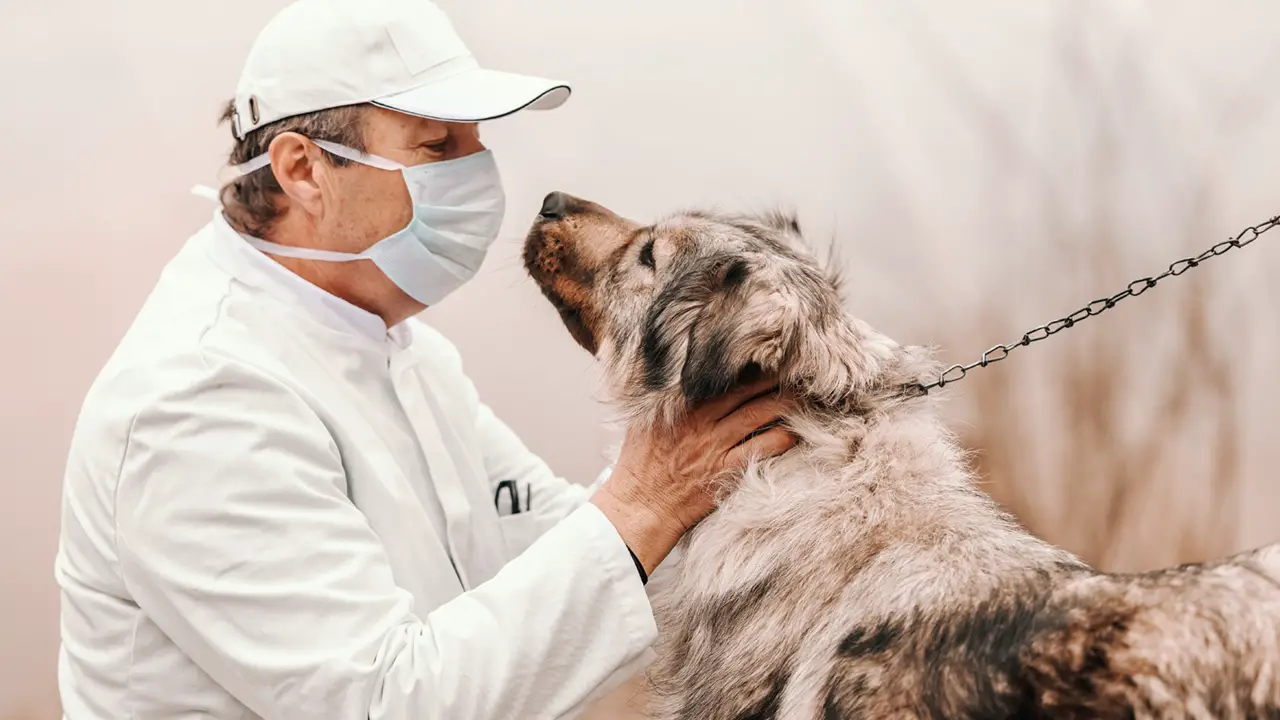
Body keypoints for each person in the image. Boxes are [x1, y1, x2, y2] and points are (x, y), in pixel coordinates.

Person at [54, 0, 795, 718]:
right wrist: (646, 499)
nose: (477, 173)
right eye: (437, 148)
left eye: (474, 141)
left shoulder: (397, 349)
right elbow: (387, 700)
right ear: (303, 170)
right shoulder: (199, 400)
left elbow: (555, 546)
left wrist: (766, 472)